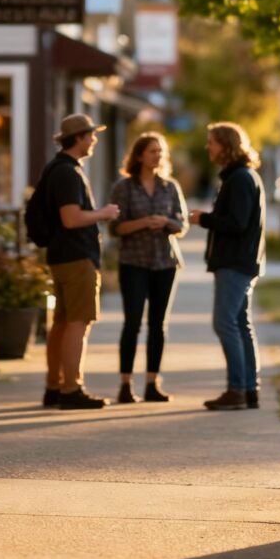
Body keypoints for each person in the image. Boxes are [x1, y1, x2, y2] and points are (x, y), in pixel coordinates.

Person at [40, 113, 120, 410]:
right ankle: (72, 389)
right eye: (91, 135)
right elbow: (71, 218)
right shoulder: (68, 173)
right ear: (78, 138)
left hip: (62, 255)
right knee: (78, 323)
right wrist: (103, 214)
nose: (94, 140)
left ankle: (55, 386)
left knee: (62, 323)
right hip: (76, 257)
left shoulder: (57, 168)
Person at [189, 122, 266, 411]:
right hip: (242, 261)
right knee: (240, 323)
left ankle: (237, 389)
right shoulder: (240, 176)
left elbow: (237, 223)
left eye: (212, 142)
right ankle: (248, 389)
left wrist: (204, 219)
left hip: (236, 262)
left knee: (225, 323)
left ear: (226, 145)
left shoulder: (240, 179)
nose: (208, 147)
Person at [109, 132, 188, 404]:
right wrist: (144, 222)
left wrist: (165, 222)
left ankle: (153, 383)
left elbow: (182, 225)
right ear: (140, 155)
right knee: (132, 323)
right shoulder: (124, 188)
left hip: (165, 262)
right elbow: (115, 228)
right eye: (152, 151)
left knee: (158, 324)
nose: (157, 156)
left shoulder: (170, 187)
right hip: (134, 262)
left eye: (160, 151)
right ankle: (125, 384)